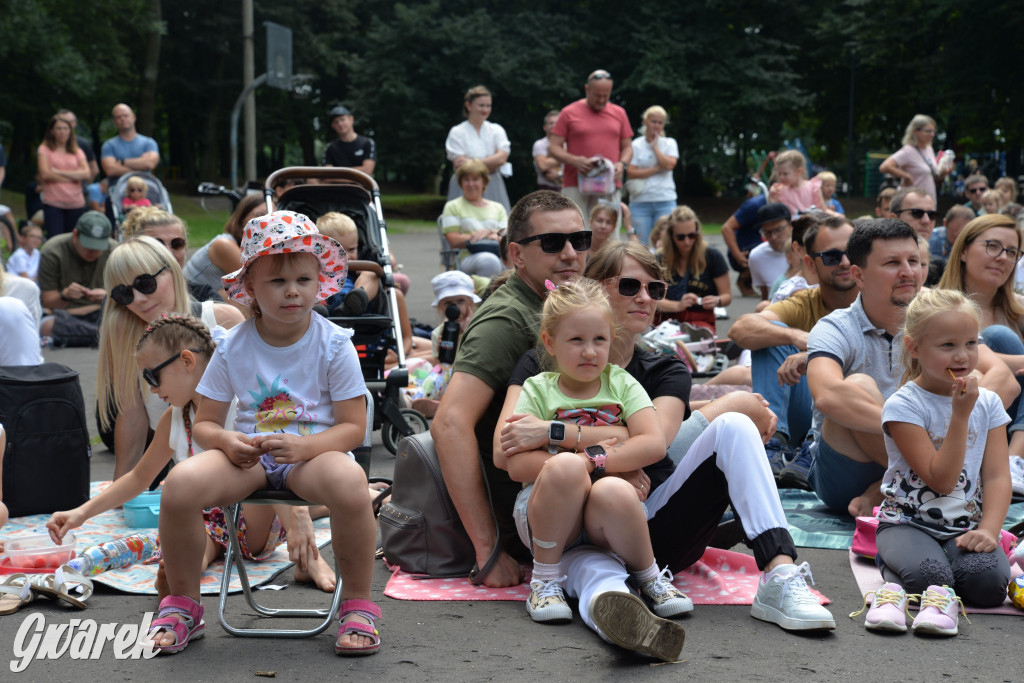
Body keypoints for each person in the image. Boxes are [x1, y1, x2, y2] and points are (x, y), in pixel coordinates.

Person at [498, 242, 835, 658]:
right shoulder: (540, 367)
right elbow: (506, 451)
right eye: (629, 285)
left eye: (656, 289)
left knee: (733, 423)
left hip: (639, 517)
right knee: (595, 573)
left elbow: (653, 443)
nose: (645, 297)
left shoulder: (663, 368)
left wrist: (561, 437)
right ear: (594, 289)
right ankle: (620, 618)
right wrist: (615, 449)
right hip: (558, 521)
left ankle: (779, 575)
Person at [144, 210, 381, 656]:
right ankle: (183, 606)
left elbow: (353, 428)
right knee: (179, 484)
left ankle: (358, 604)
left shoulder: (333, 343)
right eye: (277, 282)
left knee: (351, 482)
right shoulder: (233, 344)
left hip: (312, 456)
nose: (293, 290)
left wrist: (305, 446)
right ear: (250, 286)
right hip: (250, 457)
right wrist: (227, 440)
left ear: (319, 282)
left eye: (304, 280)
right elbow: (210, 422)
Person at [47, 314, 338, 595]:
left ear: (186, 361)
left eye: (153, 376)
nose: (151, 388)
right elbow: (139, 477)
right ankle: (175, 577)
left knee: (261, 462)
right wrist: (80, 513)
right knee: (192, 549)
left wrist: (300, 512)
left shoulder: (243, 406)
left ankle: (311, 557)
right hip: (212, 525)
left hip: (256, 515)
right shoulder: (175, 417)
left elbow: (282, 458)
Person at [498, 279, 688, 634]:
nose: (589, 352)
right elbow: (515, 465)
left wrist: (588, 462)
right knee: (568, 468)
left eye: (599, 340)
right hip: (548, 517)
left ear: (611, 340)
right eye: (576, 340)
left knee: (613, 489)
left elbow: (653, 443)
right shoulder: (537, 389)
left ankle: (650, 577)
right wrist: (596, 458)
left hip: (607, 519)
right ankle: (544, 581)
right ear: (550, 342)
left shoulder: (622, 384)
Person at [431, 191, 590, 590]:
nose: (571, 253)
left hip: (568, 483)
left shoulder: (554, 302)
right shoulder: (508, 318)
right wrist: (488, 550)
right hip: (533, 506)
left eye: (580, 239)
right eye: (553, 243)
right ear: (517, 254)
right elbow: (449, 423)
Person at [806, 219, 1016, 517]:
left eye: (914, 261)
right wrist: (915, 433)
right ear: (859, 275)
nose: (908, 272)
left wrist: (955, 419)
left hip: (934, 466)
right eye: (892, 262)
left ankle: (886, 489)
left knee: (974, 378)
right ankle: (908, 483)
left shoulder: (937, 316)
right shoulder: (836, 327)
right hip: (846, 473)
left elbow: (1006, 382)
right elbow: (827, 395)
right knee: (857, 386)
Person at [852, 289, 1010, 635]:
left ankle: (924, 569)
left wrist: (989, 530)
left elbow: (998, 476)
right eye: (947, 345)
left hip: (962, 526)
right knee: (930, 578)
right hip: (907, 523)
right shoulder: (904, 405)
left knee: (988, 587)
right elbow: (941, 481)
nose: (963, 355)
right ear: (914, 347)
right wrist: (960, 415)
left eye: (971, 343)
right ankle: (891, 570)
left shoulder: (989, 403)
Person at [96, 237, 243, 480]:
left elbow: (259, 399)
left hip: (244, 463)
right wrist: (120, 485)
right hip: (186, 474)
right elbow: (132, 416)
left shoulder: (222, 319)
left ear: (172, 270)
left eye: (145, 283)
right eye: (124, 294)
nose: (138, 299)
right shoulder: (124, 336)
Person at [729, 216, 856, 479]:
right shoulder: (804, 301)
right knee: (768, 337)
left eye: (851, 253)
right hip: (805, 409)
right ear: (810, 263)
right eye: (832, 256)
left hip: (852, 418)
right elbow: (741, 328)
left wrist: (814, 352)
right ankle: (773, 442)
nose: (844, 262)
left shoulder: (877, 301)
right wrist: (797, 337)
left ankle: (815, 446)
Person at [937, 214, 1024, 459]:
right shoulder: (933, 306)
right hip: (951, 418)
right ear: (963, 251)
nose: (1003, 258)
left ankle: (1014, 463)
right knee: (997, 336)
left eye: (1012, 252)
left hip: (1008, 426)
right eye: (993, 246)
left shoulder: (1018, 310)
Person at [547, 70, 633, 231]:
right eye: (597, 96)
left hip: (609, 183)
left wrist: (622, 164)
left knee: (610, 234)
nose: (601, 100)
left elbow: (628, 147)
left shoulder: (619, 113)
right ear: (587, 89)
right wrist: (575, 161)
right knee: (575, 231)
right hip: (575, 183)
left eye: (605, 96)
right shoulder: (568, 112)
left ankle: (607, 258)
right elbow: (553, 147)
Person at [37, 211, 117, 347]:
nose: (93, 251)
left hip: (103, 314)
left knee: (123, 319)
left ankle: (99, 335)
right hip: (66, 316)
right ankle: (106, 336)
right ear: (75, 234)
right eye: (88, 245)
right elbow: (48, 302)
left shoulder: (115, 251)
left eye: (98, 247)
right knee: (46, 326)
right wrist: (65, 295)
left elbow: (127, 300)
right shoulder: (53, 251)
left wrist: (108, 297)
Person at [655, 205, 730, 332]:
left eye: (692, 235)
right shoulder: (659, 258)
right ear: (671, 236)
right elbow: (653, 301)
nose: (687, 241)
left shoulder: (712, 256)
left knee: (697, 342)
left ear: (698, 233)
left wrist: (716, 300)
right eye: (680, 237)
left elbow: (727, 296)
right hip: (666, 320)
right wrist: (678, 305)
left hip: (701, 319)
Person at [121, 207, 220, 303]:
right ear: (135, 250)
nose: (168, 252)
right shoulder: (124, 299)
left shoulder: (205, 297)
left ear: (186, 248)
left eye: (177, 244)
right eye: (157, 245)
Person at [184, 193, 264, 301]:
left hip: (210, 302)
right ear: (241, 221)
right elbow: (260, 282)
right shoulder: (224, 245)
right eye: (259, 215)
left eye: (272, 216)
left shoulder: (251, 250)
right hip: (190, 304)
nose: (266, 222)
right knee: (246, 293)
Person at [444, 85, 511, 213]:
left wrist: (471, 162)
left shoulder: (496, 130)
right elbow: (459, 165)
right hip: (465, 185)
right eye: (481, 105)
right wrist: (491, 162)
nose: (485, 109)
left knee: (497, 225)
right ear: (469, 106)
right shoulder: (457, 132)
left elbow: (502, 158)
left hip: (493, 184)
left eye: (488, 105)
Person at [439, 159, 507, 278]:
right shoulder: (453, 206)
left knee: (516, 263)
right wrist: (488, 235)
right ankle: (486, 296)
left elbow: (507, 237)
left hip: (498, 254)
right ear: (461, 182)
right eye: (466, 180)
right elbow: (453, 240)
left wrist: (487, 232)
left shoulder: (498, 208)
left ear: (484, 182)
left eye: (475, 179)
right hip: (466, 256)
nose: (470, 184)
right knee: (489, 261)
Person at [626, 105, 679, 244]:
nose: (656, 125)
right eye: (653, 121)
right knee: (640, 244)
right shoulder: (636, 145)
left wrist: (654, 147)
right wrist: (657, 169)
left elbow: (669, 165)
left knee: (666, 242)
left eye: (660, 122)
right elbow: (631, 172)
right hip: (640, 202)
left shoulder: (669, 143)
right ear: (645, 121)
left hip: (665, 200)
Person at [37, 114, 90, 236]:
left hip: (75, 203)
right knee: (55, 239)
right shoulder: (44, 149)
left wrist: (59, 171)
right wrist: (75, 176)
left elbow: (86, 173)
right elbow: (45, 174)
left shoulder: (77, 151)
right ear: (52, 131)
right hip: (53, 202)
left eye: (65, 128)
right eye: (59, 128)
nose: (62, 132)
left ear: (70, 131)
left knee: (73, 240)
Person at [878, 115, 951, 203]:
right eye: (928, 131)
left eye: (933, 131)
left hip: (929, 200)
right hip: (912, 202)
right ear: (915, 131)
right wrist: (906, 176)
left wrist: (942, 173)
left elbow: (931, 174)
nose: (932, 134)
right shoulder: (908, 150)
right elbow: (885, 166)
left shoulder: (928, 149)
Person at [100, 104, 160, 187]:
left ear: (133, 117)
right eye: (119, 117)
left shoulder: (149, 143)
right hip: (116, 194)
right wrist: (141, 168)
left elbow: (150, 163)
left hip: (146, 194)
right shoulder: (109, 145)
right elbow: (110, 170)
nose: (123, 119)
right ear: (114, 121)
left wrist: (122, 162)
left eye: (126, 115)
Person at [720, 193, 768, 296]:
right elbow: (726, 228)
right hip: (745, 249)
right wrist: (737, 254)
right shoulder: (754, 205)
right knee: (768, 250)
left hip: (757, 241)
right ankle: (744, 280)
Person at [748, 202, 792, 301]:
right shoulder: (756, 256)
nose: (773, 237)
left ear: (791, 226)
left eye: (779, 230)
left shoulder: (806, 251)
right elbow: (765, 295)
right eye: (767, 232)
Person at [768, 150, 830, 216]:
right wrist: (772, 200)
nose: (781, 177)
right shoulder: (780, 191)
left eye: (785, 174)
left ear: (799, 171)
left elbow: (823, 210)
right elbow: (775, 215)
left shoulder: (812, 187)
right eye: (779, 173)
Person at [322, 105, 376, 175]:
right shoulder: (330, 147)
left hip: (360, 186)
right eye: (336, 122)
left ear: (351, 119)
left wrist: (335, 175)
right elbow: (328, 174)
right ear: (333, 126)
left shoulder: (367, 143)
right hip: (335, 186)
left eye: (342, 119)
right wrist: (358, 173)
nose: (340, 124)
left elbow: (367, 172)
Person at [56, 108, 99, 182]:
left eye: (69, 122)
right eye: (61, 122)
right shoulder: (49, 145)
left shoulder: (83, 144)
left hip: (77, 190)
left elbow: (94, 169)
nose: (65, 125)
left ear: (75, 123)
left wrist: (83, 187)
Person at [533, 110, 562, 191]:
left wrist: (559, 174)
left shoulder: (568, 143)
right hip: (546, 190)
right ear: (544, 127)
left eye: (557, 123)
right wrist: (567, 157)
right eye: (551, 123)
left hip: (566, 190)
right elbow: (543, 166)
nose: (554, 126)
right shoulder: (539, 144)